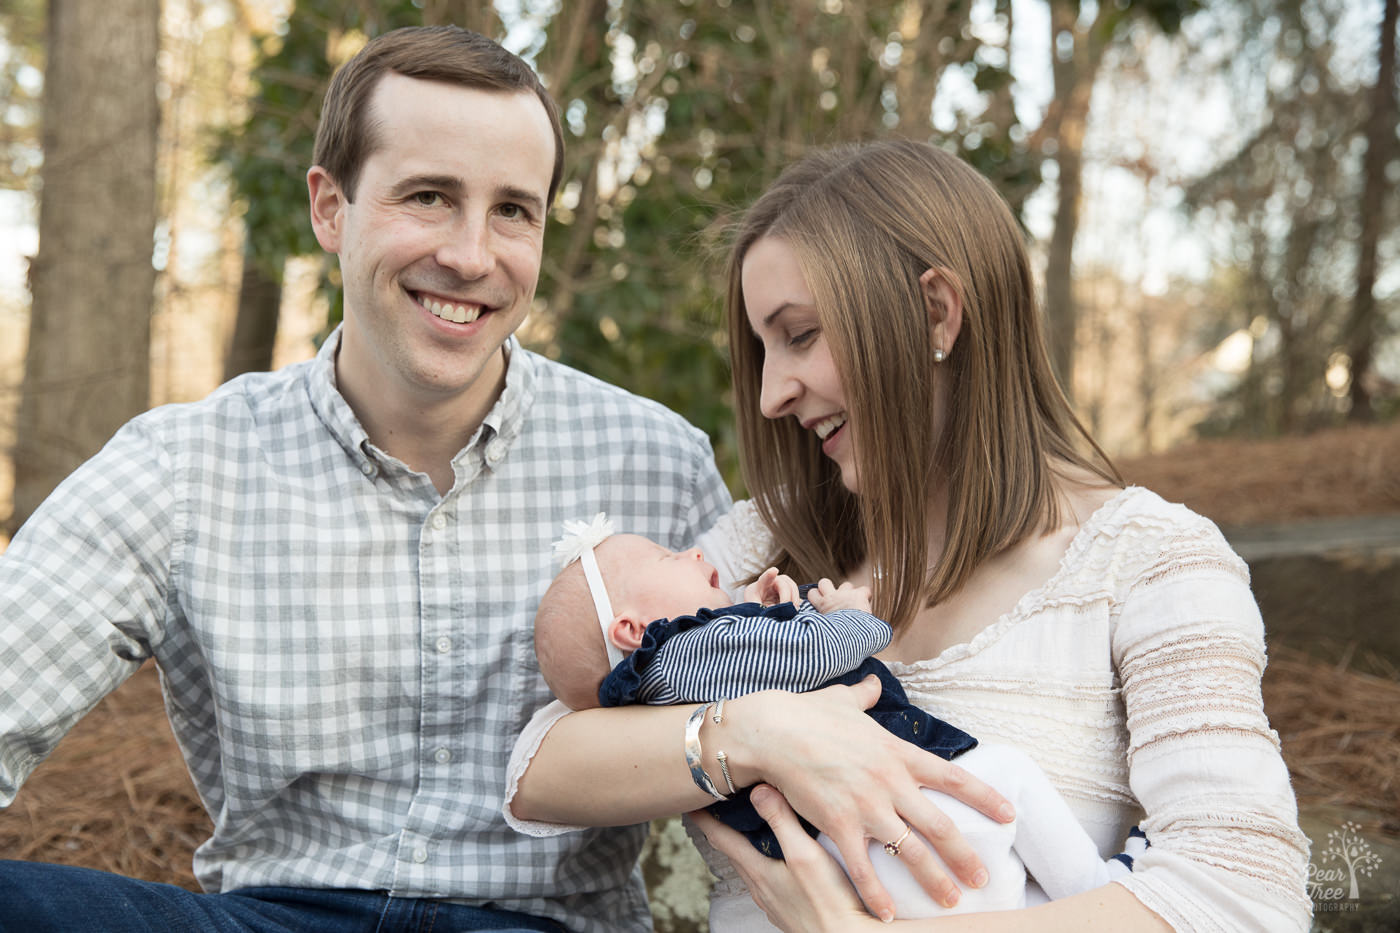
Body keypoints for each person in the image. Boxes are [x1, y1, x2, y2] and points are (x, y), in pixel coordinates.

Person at [0, 26, 732, 933]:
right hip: (274, 918)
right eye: (429, 196)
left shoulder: (654, 463)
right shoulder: (187, 467)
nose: (472, 255)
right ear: (330, 207)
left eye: (514, 210)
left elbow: (764, 726)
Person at [506, 139, 1313, 932]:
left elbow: (1245, 895)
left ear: (935, 311)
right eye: (761, 348)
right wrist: (759, 732)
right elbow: (540, 767)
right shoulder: (760, 546)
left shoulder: (1149, 561)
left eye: (799, 335)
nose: (769, 395)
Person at [524, 517, 1146, 921]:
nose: (692, 552)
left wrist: (773, 613)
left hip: (838, 866)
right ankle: (1093, 881)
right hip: (886, 836)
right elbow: (811, 656)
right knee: (1008, 776)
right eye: (665, 556)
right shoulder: (685, 647)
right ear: (632, 629)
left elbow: (761, 665)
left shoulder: (664, 683)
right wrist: (849, 616)